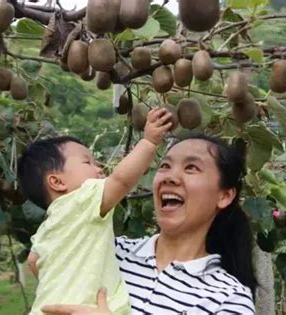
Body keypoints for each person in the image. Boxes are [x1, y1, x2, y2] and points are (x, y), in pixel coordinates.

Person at [41, 134, 257, 314]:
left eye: (191, 168)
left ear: (225, 196)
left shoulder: (228, 299)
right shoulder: (107, 252)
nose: (170, 177)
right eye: (164, 166)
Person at [17, 107, 173, 315]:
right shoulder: (84, 198)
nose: (99, 168)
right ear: (56, 182)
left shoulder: (48, 226)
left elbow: (33, 261)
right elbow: (121, 180)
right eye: (87, 162)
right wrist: (149, 142)